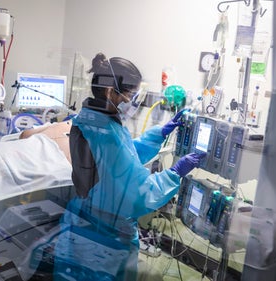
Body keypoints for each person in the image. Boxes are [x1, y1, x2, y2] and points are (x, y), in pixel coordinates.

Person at [51, 52, 205, 280]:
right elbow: (139, 196)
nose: (131, 102)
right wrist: (174, 173)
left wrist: (158, 134)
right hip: (103, 242)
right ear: (110, 91)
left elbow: (122, 157)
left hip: (82, 227)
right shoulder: (106, 132)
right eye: (130, 95)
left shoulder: (92, 120)